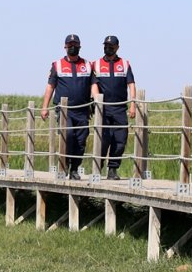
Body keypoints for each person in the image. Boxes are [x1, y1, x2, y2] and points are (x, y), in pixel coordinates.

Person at [41, 34, 92, 180]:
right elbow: (50, 86)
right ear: (65, 47)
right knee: (68, 135)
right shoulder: (57, 65)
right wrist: (44, 107)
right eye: (70, 45)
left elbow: (93, 84)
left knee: (81, 140)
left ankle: (74, 169)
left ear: (80, 46)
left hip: (83, 109)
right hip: (64, 111)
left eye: (75, 44)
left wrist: (96, 100)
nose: (73, 47)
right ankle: (65, 164)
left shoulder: (87, 65)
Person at [90, 35, 137, 180]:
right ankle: (98, 167)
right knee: (103, 140)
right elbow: (93, 84)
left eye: (111, 46)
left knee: (120, 140)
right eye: (106, 45)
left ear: (117, 47)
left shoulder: (124, 64)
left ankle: (113, 170)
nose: (108, 48)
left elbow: (131, 85)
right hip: (102, 109)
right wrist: (96, 101)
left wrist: (132, 104)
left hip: (119, 108)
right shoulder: (96, 64)